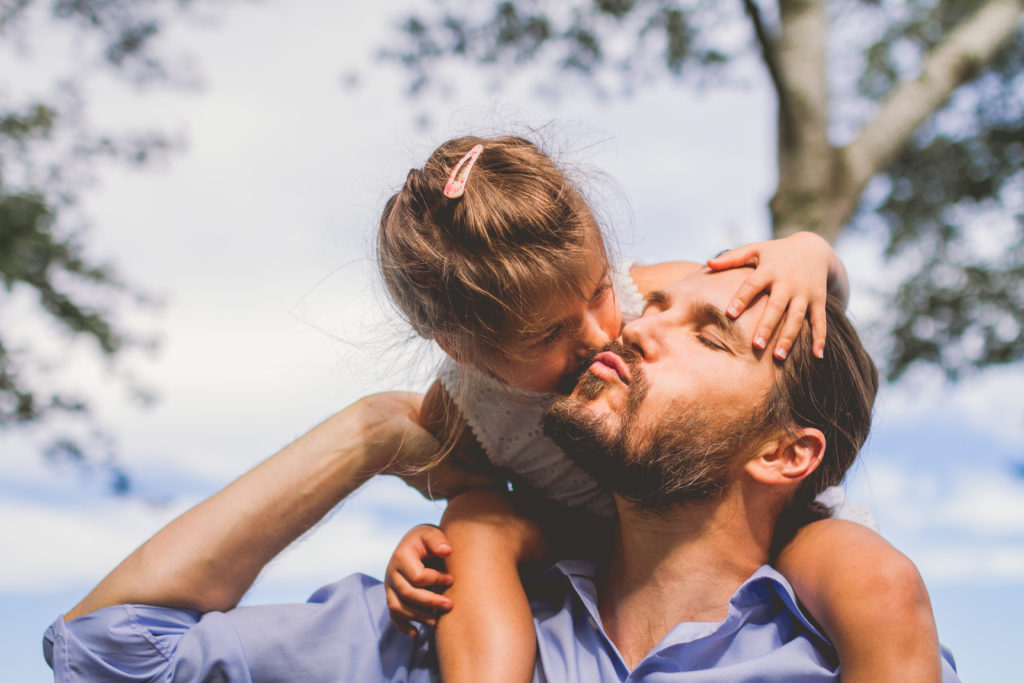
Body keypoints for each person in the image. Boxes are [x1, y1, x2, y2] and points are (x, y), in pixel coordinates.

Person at [43, 267, 960, 680]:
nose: (635, 327)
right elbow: (111, 650)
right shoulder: (434, 621)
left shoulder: (849, 655)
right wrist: (374, 431)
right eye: (658, 308)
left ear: (784, 453)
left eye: (705, 334)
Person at [376, 135, 935, 681]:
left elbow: (807, 336)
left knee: (875, 578)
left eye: (599, 292)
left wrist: (810, 252)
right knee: (472, 523)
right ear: (463, 348)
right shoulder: (462, 415)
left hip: (774, 516)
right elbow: (469, 501)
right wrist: (428, 549)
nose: (609, 334)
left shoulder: (653, 296)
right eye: (549, 333)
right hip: (597, 537)